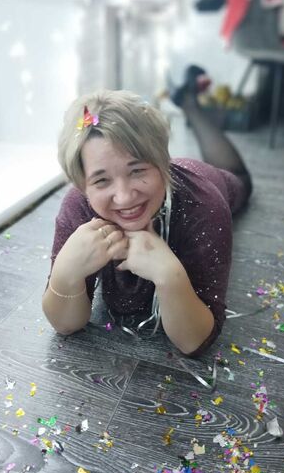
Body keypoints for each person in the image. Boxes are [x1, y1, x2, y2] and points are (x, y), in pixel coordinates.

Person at [42, 66, 252, 358]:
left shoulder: (205, 203)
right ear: (82, 184)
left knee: (241, 179)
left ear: (162, 162)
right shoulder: (78, 205)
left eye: (137, 170)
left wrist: (170, 275)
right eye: (102, 180)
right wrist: (65, 273)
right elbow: (65, 324)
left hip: (207, 180)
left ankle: (190, 105)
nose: (125, 196)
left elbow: (194, 342)